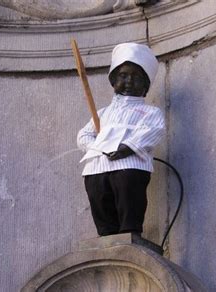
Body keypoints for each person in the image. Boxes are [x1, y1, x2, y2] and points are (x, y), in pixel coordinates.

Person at [77, 42, 165, 237]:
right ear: (113, 80)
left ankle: (130, 232)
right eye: (123, 76)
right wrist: (97, 146)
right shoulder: (102, 114)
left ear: (145, 85)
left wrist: (127, 147)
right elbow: (83, 135)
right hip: (98, 166)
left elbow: (153, 131)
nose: (128, 81)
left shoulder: (149, 112)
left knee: (128, 193)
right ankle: (106, 235)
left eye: (136, 77)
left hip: (129, 164)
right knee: (98, 193)